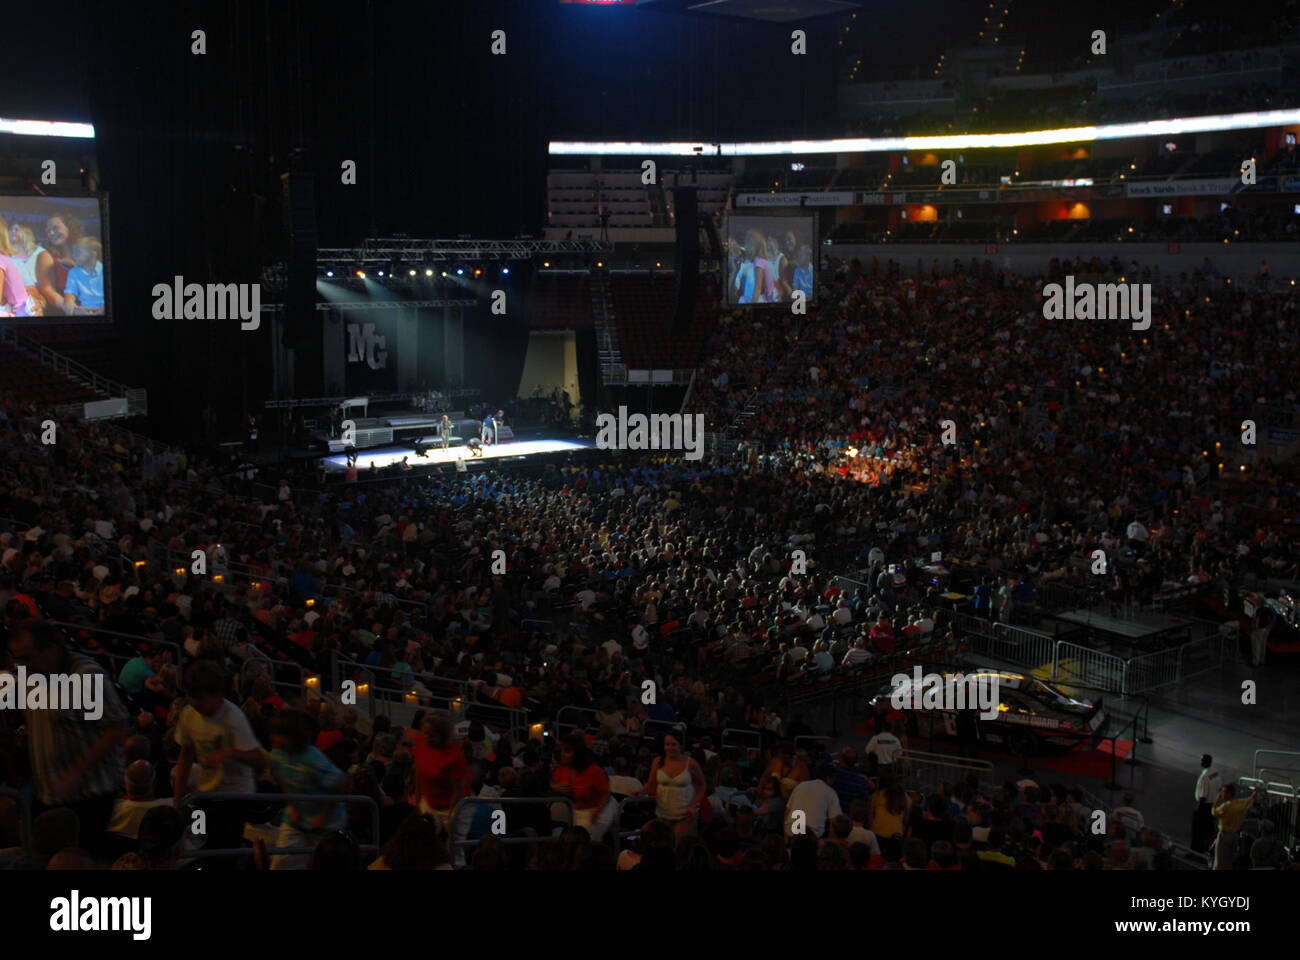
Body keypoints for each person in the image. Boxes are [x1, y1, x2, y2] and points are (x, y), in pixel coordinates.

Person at [8, 618, 129, 860]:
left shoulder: (87, 678)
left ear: (51, 649)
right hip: (48, 791)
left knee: (76, 860)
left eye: (26, 657)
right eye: (16, 657)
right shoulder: (29, 674)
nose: (20, 664)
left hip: (88, 795)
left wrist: (75, 772)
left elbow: (117, 729)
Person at [172, 659, 263, 863]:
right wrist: (177, 802)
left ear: (218, 694)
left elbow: (258, 760)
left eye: (200, 699)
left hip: (234, 796)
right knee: (200, 844)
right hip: (205, 794)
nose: (194, 703)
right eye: (190, 697)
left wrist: (230, 753)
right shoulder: (188, 714)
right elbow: (185, 757)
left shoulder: (233, 719)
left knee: (222, 853)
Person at [263, 710, 350, 870]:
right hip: (297, 821)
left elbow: (340, 784)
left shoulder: (313, 758)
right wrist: (292, 806)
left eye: (278, 733)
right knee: (281, 864)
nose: (272, 737)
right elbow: (283, 779)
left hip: (327, 824)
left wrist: (323, 816)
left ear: (291, 736)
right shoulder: (276, 756)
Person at [550, 732, 618, 841]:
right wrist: (555, 787)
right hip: (579, 810)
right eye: (562, 750)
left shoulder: (594, 772)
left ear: (577, 753)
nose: (562, 754)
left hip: (601, 808)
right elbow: (552, 782)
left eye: (567, 751)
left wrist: (597, 811)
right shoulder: (561, 770)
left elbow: (606, 793)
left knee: (589, 838)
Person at [641, 732, 706, 842]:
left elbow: (702, 784)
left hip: (685, 815)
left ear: (680, 746)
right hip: (663, 814)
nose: (670, 747)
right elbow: (650, 784)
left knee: (680, 847)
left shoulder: (690, 763)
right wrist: (641, 791)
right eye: (667, 744)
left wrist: (695, 804)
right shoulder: (657, 762)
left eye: (673, 744)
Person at [1210, 782, 1263, 870]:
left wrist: (1217, 799)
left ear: (1229, 794)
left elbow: (1214, 811)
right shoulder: (1240, 803)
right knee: (1229, 862)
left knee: (1220, 862)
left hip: (1224, 836)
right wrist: (1255, 792)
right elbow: (1250, 800)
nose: (1222, 794)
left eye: (1224, 792)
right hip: (1234, 836)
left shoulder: (1225, 806)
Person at [783, 762, 842, 839]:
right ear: (828, 778)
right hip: (813, 837)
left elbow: (787, 813)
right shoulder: (830, 792)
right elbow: (835, 822)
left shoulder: (800, 786)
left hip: (791, 833)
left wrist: (786, 839)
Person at [1191, 754, 1220, 854]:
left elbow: (1203, 795)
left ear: (1206, 762)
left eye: (1202, 760)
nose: (1200, 762)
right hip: (1212, 804)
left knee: (1198, 830)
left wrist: (1197, 809)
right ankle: (1207, 849)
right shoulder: (1215, 773)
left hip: (1204, 806)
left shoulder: (1204, 777)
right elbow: (1219, 788)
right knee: (1209, 830)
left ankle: (1195, 851)